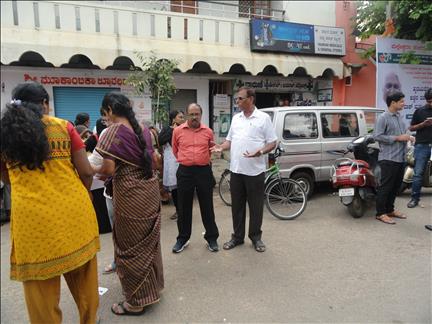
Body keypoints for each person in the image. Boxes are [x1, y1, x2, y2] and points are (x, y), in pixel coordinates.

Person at [0, 82, 100, 324]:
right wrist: (81, 192)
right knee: (84, 278)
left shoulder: (4, 134)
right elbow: (86, 171)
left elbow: (6, 177)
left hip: (32, 223)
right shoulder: (64, 127)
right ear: (44, 104)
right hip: (73, 213)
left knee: (40, 291)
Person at [94, 92, 163, 316]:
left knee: (129, 247)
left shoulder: (111, 132)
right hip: (149, 191)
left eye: (105, 115)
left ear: (110, 110)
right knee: (148, 244)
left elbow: (108, 170)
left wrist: (92, 171)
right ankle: (153, 289)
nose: (106, 119)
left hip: (130, 195)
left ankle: (135, 302)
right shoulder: (142, 128)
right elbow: (153, 160)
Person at [211, 87, 277, 252]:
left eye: (240, 98)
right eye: (237, 99)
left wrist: (260, 151)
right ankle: (237, 237)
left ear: (251, 99)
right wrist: (221, 147)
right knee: (237, 207)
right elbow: (230, 141)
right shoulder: (236, 119)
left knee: (256, 207)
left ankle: (256, 237)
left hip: (255, 172)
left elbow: (272, 142)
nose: (237, 102)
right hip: (237, 170)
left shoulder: (263, 118)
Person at [171, 103, 219, 253]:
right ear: (186, 115)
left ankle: (211, 238)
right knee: (183, 207)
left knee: (207, 206)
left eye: (196, 114)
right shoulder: (177, 131)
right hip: (185, 172)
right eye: (191, 114)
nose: (194, 117)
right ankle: (183, 238)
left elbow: (211, 149)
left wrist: (200, 159)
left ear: (201, 115)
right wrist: (187, 161)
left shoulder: (208, 132)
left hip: (203, 171)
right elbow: (175, 150)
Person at [373, 91, 414, 225]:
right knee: (385, 187)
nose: (404, 103)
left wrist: (409, 136)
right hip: (388, 158)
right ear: (393, 103)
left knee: (395, 186)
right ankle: (380, 213)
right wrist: (397, 138)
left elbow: (404, 133)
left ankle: (390, 209)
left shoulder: (399, 117)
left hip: (401, 158)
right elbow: (377, 136)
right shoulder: (383, 118)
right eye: (401, 101)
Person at [407, 88, 432, 208]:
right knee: (418, 174)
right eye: (429, 101)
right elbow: (411, 128)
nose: (431, 103)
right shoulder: (420, 111)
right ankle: (414, 199)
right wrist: (423, 124)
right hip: (422, 145)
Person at [158, 110, 185, 220]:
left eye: (183, 117)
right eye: (180, 117)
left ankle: (183, 211)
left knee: (182, 187)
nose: (183, 119)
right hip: (171, 161)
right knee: (174, 187)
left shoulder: (184, 129)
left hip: (182, 160)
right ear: (173, 119)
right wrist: (173, 130)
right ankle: (178, 210)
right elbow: (161, 140)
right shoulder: (167, 129)